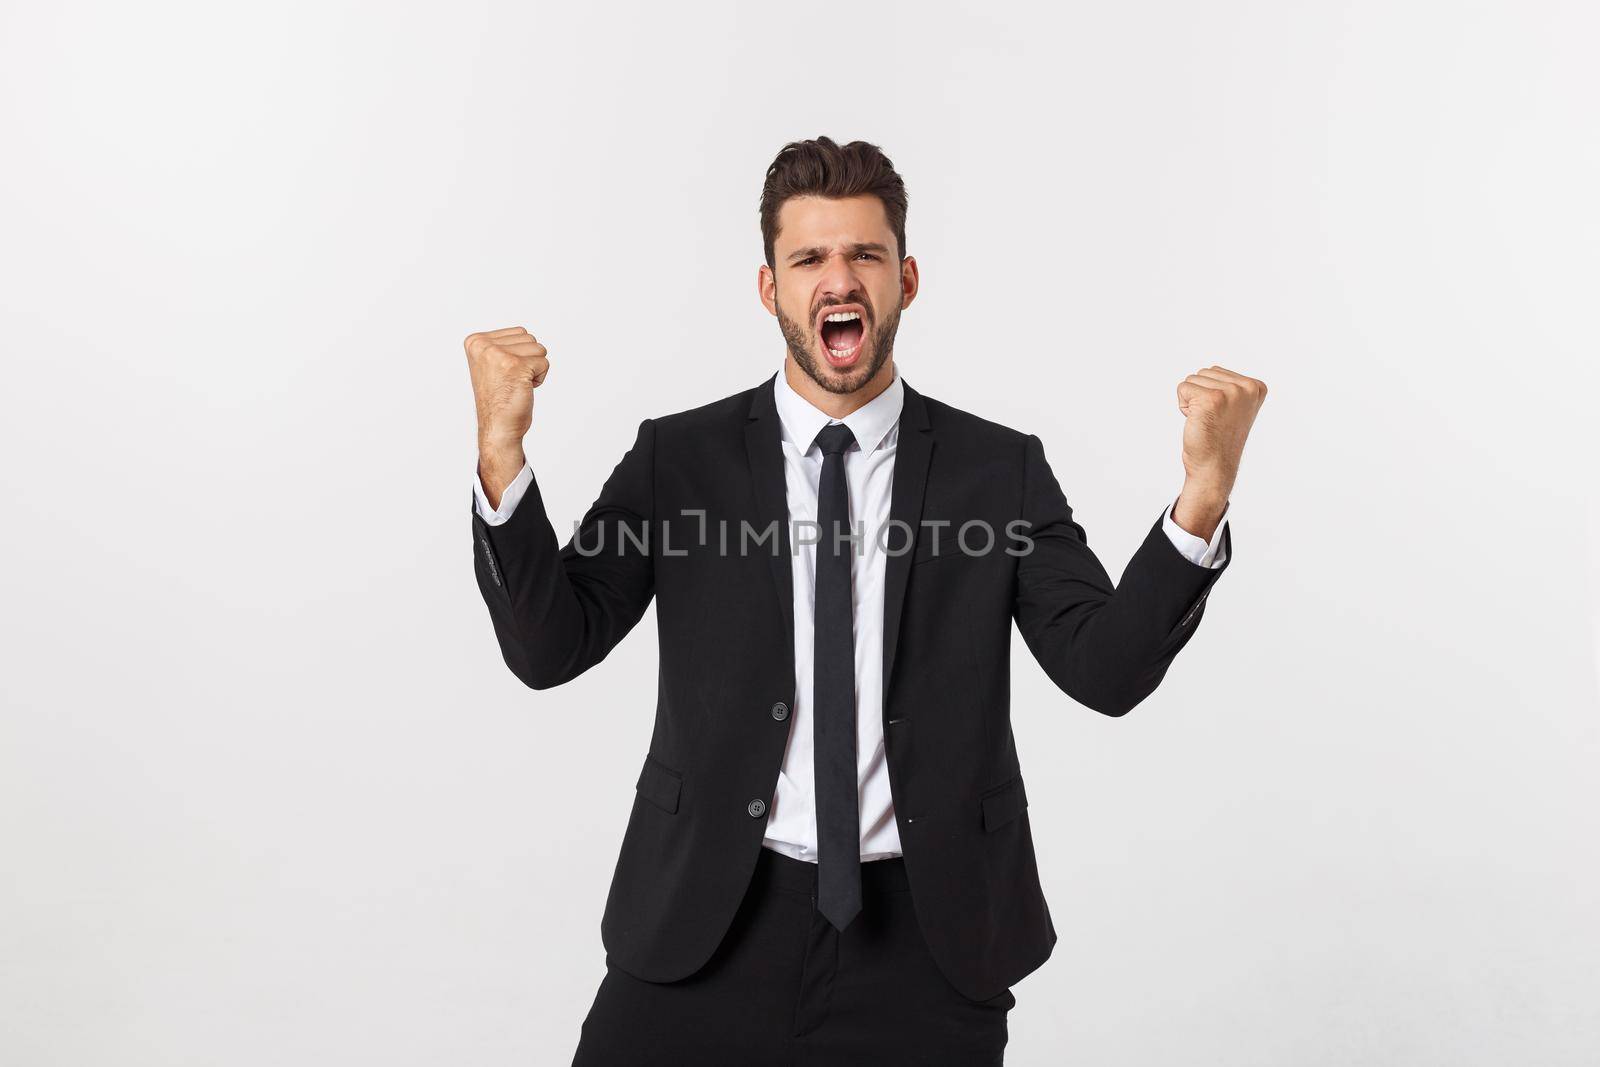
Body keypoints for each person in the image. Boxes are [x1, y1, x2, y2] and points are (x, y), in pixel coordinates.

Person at [463, 136, 1266, 1065]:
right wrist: (500, 454)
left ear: (906, 279)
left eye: (864, 255)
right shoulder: (677, 461)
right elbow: (548, 646)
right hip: (703, 926)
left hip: (926, 948)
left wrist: (1203, 493)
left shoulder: (997, 472)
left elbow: (1106, 669)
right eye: (808, 258)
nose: (837, 279)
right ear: (770, 288)